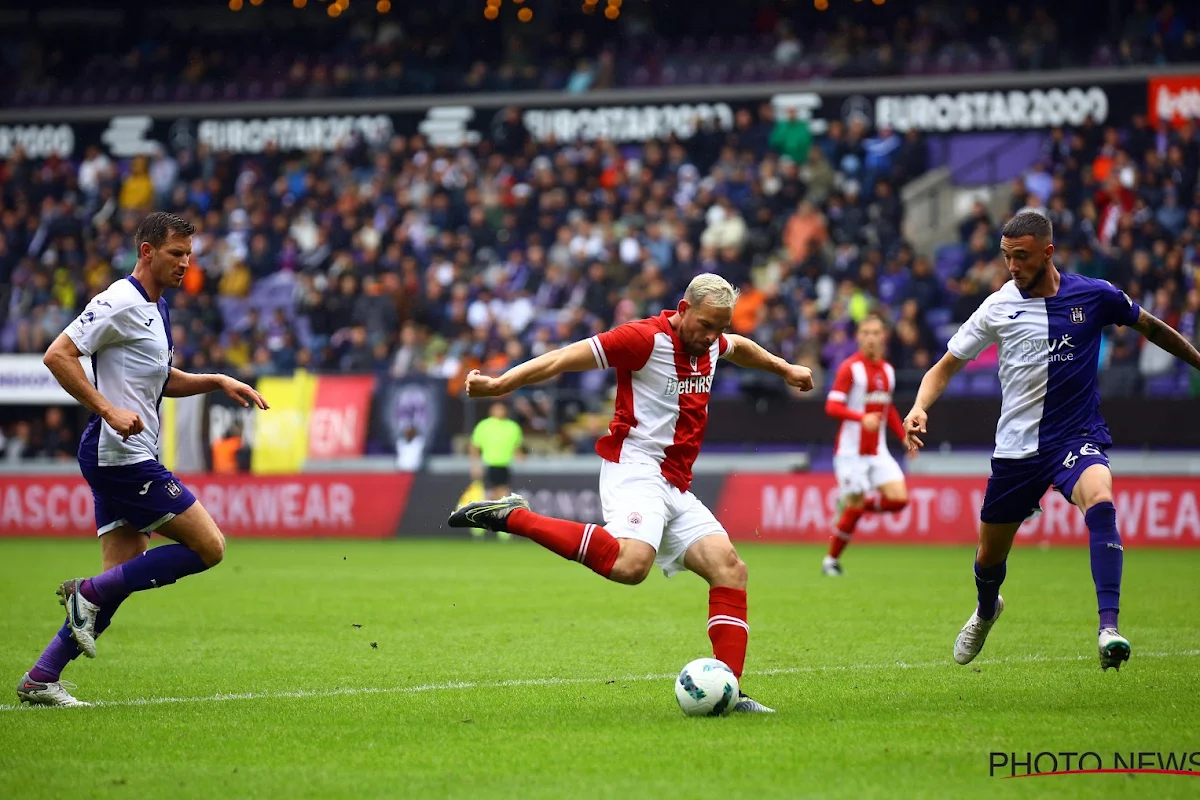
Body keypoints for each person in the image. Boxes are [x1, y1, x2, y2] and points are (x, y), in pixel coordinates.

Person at [446, 274, 815, 712]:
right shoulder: (642, 340)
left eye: (720, 327)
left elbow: (743, 347)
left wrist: (785, 368)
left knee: (730, 568)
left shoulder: (712, 341)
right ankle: (514, 517)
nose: (712, 337)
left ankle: (729, 691)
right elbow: (564, 358)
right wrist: (502, 383)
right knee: (630, 564)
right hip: (635, 468)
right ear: (682, 309)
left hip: (675, 481)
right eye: (705, 325)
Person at [902, 211, 1200, 671]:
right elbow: (944, 367)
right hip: (1017, 450)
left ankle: (1109, 628)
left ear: (1048, 252)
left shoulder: (1094, 295)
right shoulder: (998, 307)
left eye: (1021, 257)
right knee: (988, 558)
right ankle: (986, 609)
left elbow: (1152, 327)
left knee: (1100, 497)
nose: (1013, 267)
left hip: (1075, 436)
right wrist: (921, 406)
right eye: (1006, 258)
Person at [17, 212, 269, 707]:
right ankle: (84, 592)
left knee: (122, 575)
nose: (186, 263)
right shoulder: (118, 300)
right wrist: (108, 410)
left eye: (190, 254)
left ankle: (42, 676)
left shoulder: (158, 308)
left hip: (124, 452)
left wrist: (217, 380)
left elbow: (162, 380)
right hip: (120, 455)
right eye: (177, 254)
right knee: (210, 547)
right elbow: (57, 355)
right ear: (148, 251)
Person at [822, 314, 914, 576]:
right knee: (855, 506)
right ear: (858, 337)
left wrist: (902, 436)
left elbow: (888, 409)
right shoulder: (850, 369)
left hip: (878, 451)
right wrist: (861, 417)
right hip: (850, 453)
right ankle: (831, 561)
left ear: (883, 336)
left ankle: (856, 506)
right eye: (866, 333)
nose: (871, 338)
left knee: (899, 500)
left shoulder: (888, 370)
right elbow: (832, 405)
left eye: (876, 333)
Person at [468, 401, 525, 540]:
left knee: (503, 495)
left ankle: (501, 527)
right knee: (489, 495)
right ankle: (480, 524)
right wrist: (475, 465)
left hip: (504, 465)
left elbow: (517, 447)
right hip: (489, 464)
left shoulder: (512, 427)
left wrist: (520, 457)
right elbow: (475, 446)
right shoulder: (484, 426)